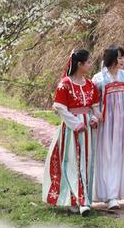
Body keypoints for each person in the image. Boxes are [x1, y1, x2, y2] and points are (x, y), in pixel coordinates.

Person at [42, 49, 100, 217]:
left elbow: (93, 108)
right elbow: (61, 108)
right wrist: (75, 124)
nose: (90, 65)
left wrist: (94, 119)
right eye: (88, 62)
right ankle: (78, 200)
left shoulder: (90, 84)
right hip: (71, 129)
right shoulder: (65, 84)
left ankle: (83, 199)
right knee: (73, 163)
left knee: (86, 163)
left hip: (87, 130)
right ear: (80, 64)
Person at [92, 46, 124, 210]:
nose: (122, 61)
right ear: (111, 59)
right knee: (107, 155)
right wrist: (95, 116)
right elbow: (92, 102)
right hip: (106, 123)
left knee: (120, 155)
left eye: (123, 57)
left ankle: (114, 193)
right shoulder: (99, 79)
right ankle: (109, 195)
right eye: (119, 57)